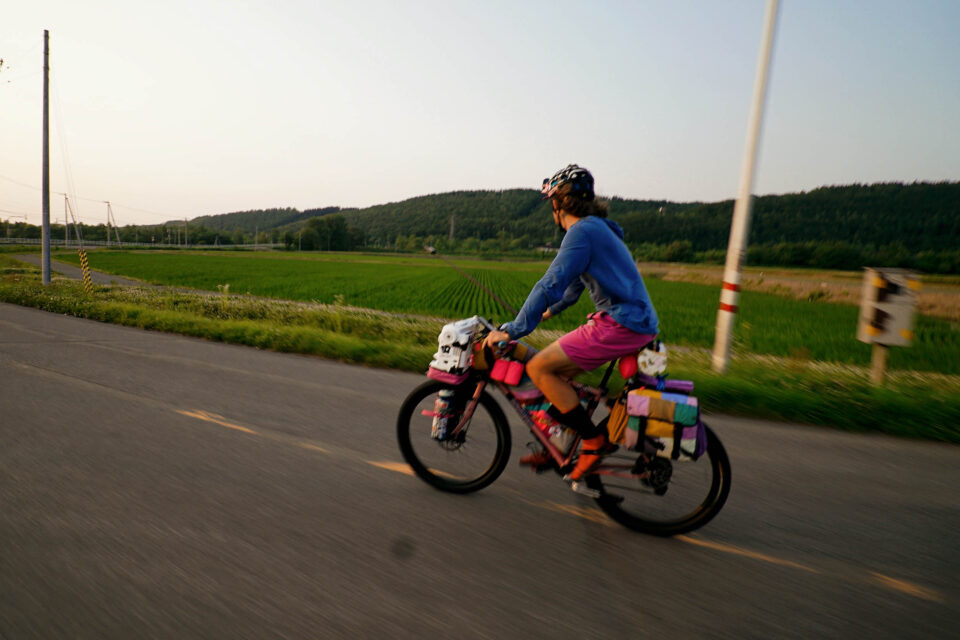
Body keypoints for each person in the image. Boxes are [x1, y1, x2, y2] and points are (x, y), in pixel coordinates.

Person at [483, 164, 659, 491]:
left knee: (538, 367)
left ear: (558, 203)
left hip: (621, 323)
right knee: (559, 377)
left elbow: (550, 283)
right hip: (635, 323)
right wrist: (546, 315)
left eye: (551, 200)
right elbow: (572, 290)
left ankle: (592, 442)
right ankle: (563, 450)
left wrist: (512, 330)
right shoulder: (598, 229)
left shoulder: (581, 232)